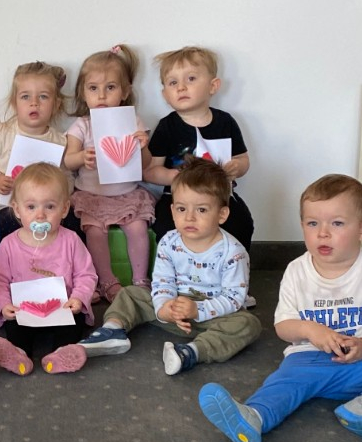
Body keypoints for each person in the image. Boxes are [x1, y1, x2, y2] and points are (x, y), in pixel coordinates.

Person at [198, 173, 362, 442]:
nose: (323, 233)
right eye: (313, 223)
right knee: (282, 385)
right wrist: (310, 330)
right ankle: (254, 418)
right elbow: (283, 326)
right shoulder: (296, 272)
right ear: (302, 226)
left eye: (337, 223)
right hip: (308, 361)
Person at [81, 158, 259, 373]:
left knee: (247, 324)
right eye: (182, 209)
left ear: (222, 214)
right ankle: (113, 330)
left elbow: (233, 298)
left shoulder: (233, 252)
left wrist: (197, 310)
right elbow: (162, 281)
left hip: (211, 315)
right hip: (172, 310)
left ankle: (192, 351)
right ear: (173, 211)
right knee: (130, 293)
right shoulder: (169, 242)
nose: (190, 217)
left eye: (202, 210)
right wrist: (163, 306)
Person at [0, 162, 95, 376]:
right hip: (24, 311)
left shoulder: (71, 240)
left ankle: (61, 353)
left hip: (62, 308)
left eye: (50, 207)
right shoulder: (9, 245)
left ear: (64, 209)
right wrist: (4, 304)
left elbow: (86, 275)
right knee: (15, 326)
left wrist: (78, 298)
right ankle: (19, 354)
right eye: (31, 207)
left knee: (74, 323)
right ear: (17, 209)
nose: (40, 215)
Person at [63, 44, 154, 299]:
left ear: (125, 92)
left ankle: (140, 281)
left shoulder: (133, 122)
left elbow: (145, 164)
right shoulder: (82, 125)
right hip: (92, 195)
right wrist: (82, 157)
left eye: (110, 87)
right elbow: (68, 161)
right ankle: (107, 282)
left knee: (138, 228)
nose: (101, 95)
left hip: (127, 193)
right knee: (95, 232)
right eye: (93, 88)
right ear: (83, 93)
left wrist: (143, 147)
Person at [146, 47, 253, 252]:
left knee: (241, 222)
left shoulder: (225, 122)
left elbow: (243, 159)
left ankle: (235, 266)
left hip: (218, 195)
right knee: (165, 226)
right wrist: (173, 176)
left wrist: (237, 167)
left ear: (213, 86)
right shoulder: (167, 126)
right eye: (173, 82)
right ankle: (175, 268)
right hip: (178, 198)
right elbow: (150, 171)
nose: (181, 87)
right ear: (165, 94)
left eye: (191, 78)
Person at [0, 60, 80, 240]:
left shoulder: (60, 141)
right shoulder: (2, 134)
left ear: (56, 104)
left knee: (73, 221)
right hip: (12, 207)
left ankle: (68, 255)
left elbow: (68, 176)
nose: (34, 103)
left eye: (43, 97)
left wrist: (61, 190)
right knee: (9, 223)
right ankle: (23, 257)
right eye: (25, 97)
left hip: (49, 209)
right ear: (14, 103)